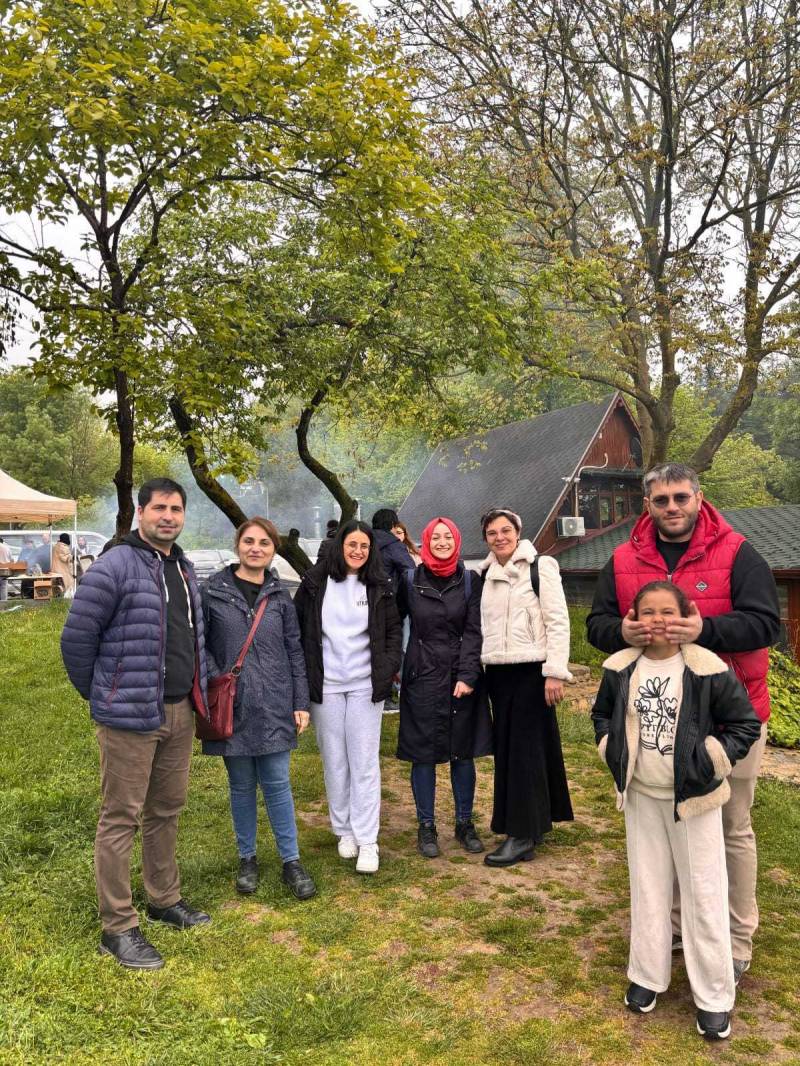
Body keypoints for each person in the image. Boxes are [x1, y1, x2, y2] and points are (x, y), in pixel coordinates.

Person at [586, 462, 780, 983]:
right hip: (654, 716)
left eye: (680, 497)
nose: (671, 507)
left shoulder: (737, 552)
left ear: (698, 497)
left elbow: (767, 623)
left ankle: (735, 938)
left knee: (731, 828)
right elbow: (596, 626)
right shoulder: (623, 559)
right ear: (646, 504)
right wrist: (622, 632)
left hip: (729, 719)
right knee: (667, 828)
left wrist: (704, 629)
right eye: (661, 500)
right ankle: (674, 928)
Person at [591, 581, 761, 1041]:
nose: (658, 620)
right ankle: (647, 975)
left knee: (704, 895)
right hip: (641, 796)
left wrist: (711, 760)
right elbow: (602, 715)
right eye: (647, 612)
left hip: (693, 801)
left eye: (668, 611)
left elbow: (744, 724)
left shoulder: (706, 668)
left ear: (686, 615)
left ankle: (714, 996)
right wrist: (610, 748)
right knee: (648, 888)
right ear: (633, 618)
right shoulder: (620, 667)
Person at [61, 477, 210, 971]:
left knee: (166, 810)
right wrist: (105, 694)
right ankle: (118, 926)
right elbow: (77, 640)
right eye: (159, 508)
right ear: (141, 512)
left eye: (176, 509)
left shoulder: (183, 568)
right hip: (129, 716)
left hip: (178, 711)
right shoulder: (114, 565)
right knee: (120, 817)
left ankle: (163, 899)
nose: (168, 516)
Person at [201, 517, 315, 902]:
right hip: (232, 705)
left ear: (273, 550)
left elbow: (294, 650)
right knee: (241, 785)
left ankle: (291, 860)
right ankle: (247, 857)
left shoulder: (280, 596)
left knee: (278, 784)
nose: (256, 548)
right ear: (237, 545)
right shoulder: (212, 592)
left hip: (275, 703)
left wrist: (300, 701)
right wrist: (217, 678)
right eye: (249, 541)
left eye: (264, 543)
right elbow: (201, 645)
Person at [294, 520, 402, 874]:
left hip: (365, 686)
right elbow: (298, 630)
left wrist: (387, 668)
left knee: (364, 762)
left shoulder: (380, 585)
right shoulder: (315, 583)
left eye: (364, 546)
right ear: (340, 546)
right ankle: (344, 830)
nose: (358, 551)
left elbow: (393, 632)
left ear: (371, 551)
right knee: (335, 760)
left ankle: (368, 840)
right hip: (326, 686)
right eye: (352, 545)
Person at [479, 507, 574, 867]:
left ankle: (521, 835)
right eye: (492, 533)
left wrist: (555, 671)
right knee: (509, 752)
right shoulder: (485, 574)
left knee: (526, 752)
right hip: (498, 673)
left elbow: (558, 620)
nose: (500, 537)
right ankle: (527, 823)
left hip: (532, 670)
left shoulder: (540, 567)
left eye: (506, 530)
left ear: (517, 532)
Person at [396, 517, 491, 858]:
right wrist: (397, 666)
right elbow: (393, 623)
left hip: (459, 677)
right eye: (435, 537)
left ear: (456, 541)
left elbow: (475, 630)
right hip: (422, 677)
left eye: (447, 536)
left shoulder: (469, 581)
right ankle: (426, 826)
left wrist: (468, 675)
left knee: (461, 752)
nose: (441, 542)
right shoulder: (410, 580)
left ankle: (464, 823)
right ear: (425, 542)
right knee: (423, 755)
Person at [371, 508, 415, 590]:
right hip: (387, 593)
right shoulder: (394, 545)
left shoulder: (365, 541)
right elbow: (411, 573)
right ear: (392, 524)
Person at [0, 536, 11, 601]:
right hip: (5, 571)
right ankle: (3, 603)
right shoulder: (6, 547)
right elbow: (11, 559)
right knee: (3, 587)